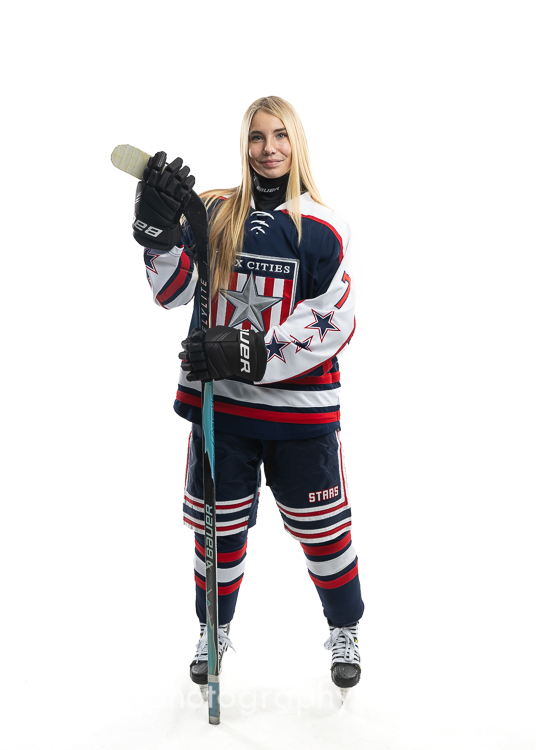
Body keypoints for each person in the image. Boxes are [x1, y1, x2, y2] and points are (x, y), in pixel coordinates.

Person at [132, 96, 365, 691]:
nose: (269, 148)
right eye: (257, 136)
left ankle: (345, 629)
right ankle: (213, 629)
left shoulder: (322, 225)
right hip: (224, 412)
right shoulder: (212, 211)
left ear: (297, 142)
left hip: (300, 417)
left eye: (280, 135)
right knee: (218, 530)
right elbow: (174, 292)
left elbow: (335, 319)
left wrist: (252, 352)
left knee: (323, 531)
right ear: (245, 144)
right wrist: (159, 237)